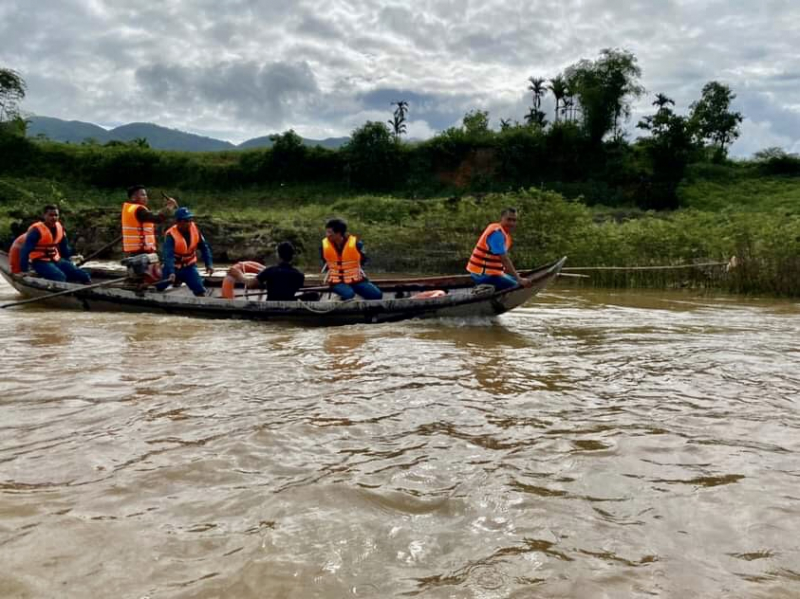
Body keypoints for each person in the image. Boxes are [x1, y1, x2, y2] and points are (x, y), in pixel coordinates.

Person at [18, 205, 91, 284]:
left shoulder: (59, 228)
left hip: (56, 259)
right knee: (60, 277)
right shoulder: (36, 231)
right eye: (51, 215)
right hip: (40, 262)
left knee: (84, 275)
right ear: (44, 216)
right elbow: (25, 251)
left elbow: (64, 249)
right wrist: (24, 270)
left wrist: (71, 261)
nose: (54, 218)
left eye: (56, 215)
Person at [466, 207, 533, 291]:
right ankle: (482, 288)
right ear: (502, 218)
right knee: (518, 286)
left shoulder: (504, 233)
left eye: (514, 220)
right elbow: (504, 259)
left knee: (516, 279)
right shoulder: (497, 233)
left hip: (490, 273)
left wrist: (516, 276)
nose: (511, 223)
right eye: (509, 219)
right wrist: (519, 279)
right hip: (483, 276)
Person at [121, 184, 178, 283]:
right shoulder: (138, 209)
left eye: (146, 195)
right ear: (134, 197)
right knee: (142, 276)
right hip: (139, 251)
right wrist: (169, 207)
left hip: (137, 250)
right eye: (142, 195)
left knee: (141, 276)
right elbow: (157, 218)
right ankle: (137, 290)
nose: (146, 197)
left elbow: (151, 216)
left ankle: (135, 286)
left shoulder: (131, 208)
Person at [156, 207, 213, 296]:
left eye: (190, 220)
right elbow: (168, 256)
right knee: (159, 286)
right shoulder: (171, 235)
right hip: (173, 267)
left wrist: (209, 264)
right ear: (179, 222)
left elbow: (204, 248)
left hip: (189, 267)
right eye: (186, 220)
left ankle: (184, 281)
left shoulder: (195, 229)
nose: (189, 222)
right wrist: (171, 272)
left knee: (199, 289)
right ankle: (174, 280)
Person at [320, 218, 382, 300]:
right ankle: (340, 299)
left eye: (330, 233)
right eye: (327, 232)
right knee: (349, 294)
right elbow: (325, 262)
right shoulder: (324, 246)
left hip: (356, 280)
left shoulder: (357, 244)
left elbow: (364, 260)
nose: (327, 235)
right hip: (337, 282)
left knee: (376, 295)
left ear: (339, 233)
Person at [224, 241, 305, 300]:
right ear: (292, 256)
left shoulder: (270, 271)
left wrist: (239, 275)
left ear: (278, 255)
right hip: (289, 303)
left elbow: (250, 283)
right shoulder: (300, 275)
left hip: (271, 304)